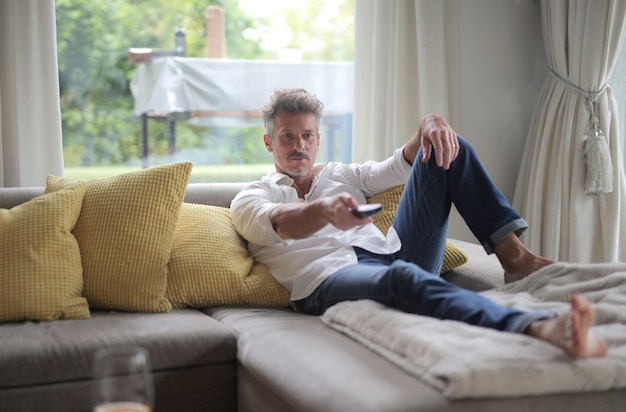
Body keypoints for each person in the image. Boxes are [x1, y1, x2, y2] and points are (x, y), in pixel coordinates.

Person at [230, 87, 607, 359]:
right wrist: (324, 212)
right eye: (287, 136)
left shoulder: (344, 173)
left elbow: (401, 163)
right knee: (402, 279)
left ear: (317, 139)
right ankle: (537, 327)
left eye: (307, 135)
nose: (299, 145)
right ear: (269, 142)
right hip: (325, 282)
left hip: (395, 254)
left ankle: (516, 259)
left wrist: (429, 125)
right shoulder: (252, 196)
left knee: (446, 147)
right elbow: (277, 223)